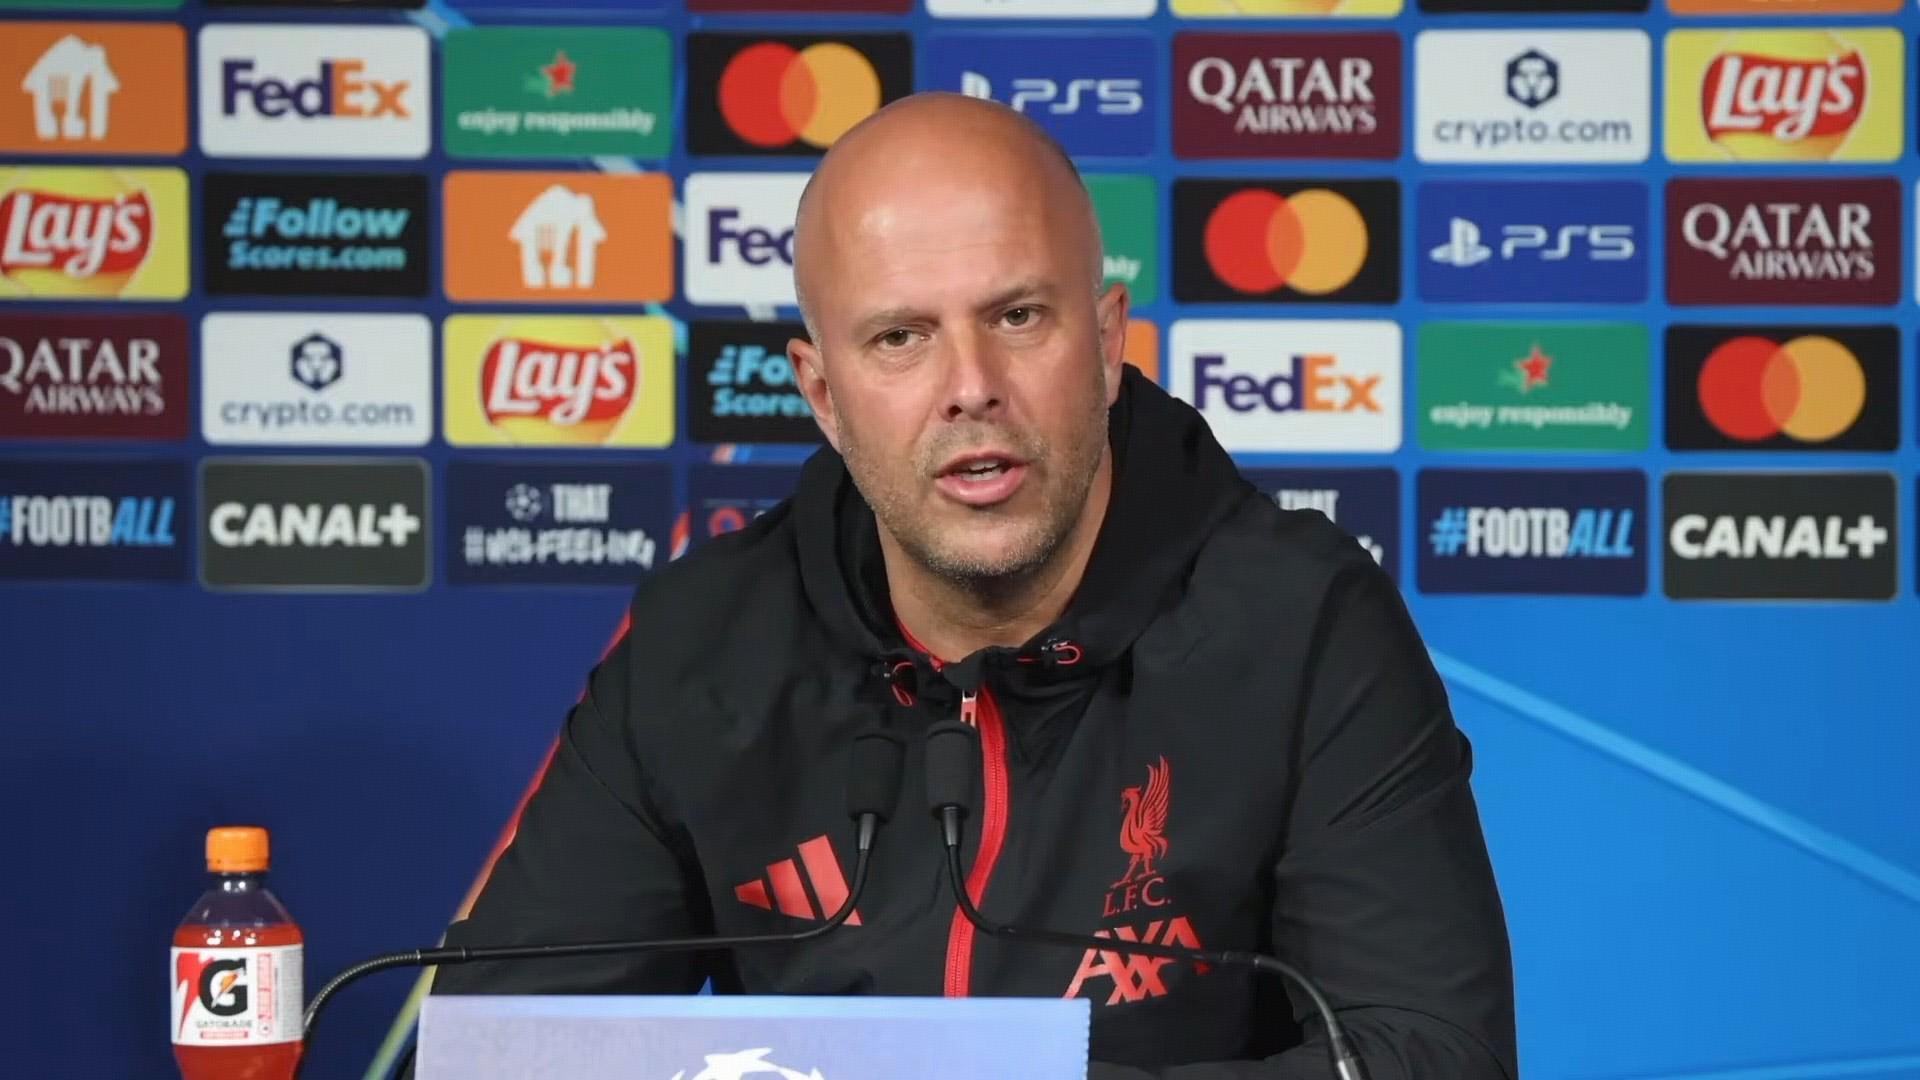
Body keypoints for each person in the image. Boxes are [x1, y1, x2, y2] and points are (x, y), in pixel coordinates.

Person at [423, 93, 1517, 1079]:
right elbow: (500, 1051)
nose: (971, 388)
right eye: (900, 337)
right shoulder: (705, 642)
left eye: (1018, 317)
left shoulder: (1301, 625)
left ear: (1106, 341)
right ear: (823, 394)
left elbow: (1431, 1053)